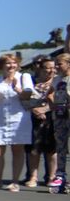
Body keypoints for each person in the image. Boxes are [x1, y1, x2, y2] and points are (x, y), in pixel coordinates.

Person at [0, 53, 35, 190]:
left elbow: (27, 95)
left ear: (18, 65)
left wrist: (17, 88)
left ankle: (15, 182)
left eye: (13, 62)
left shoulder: (24, 77)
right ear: (1, 66)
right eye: (7, 63)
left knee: (17, 151)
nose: (11, 65)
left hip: (19, 119)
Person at [25, 56, 56, 187]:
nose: (49, 71)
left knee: (52, 150)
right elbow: (24, 100)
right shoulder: (32, 83)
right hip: (34, 118)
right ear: (40, 69)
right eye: (46, 68)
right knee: (34, 150)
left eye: (52, 68)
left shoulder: (59, 82)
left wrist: (44, 109)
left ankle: (52, 177)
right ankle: (33, 177)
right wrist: (34, 109)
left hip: (53, 118)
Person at [47, 52, 69, 193]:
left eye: (59, 64)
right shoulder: (57, 80)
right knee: (61, 149)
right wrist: (53, 105)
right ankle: (61, 177)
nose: (56, 67)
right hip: (60, 117)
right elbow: (49, 93)